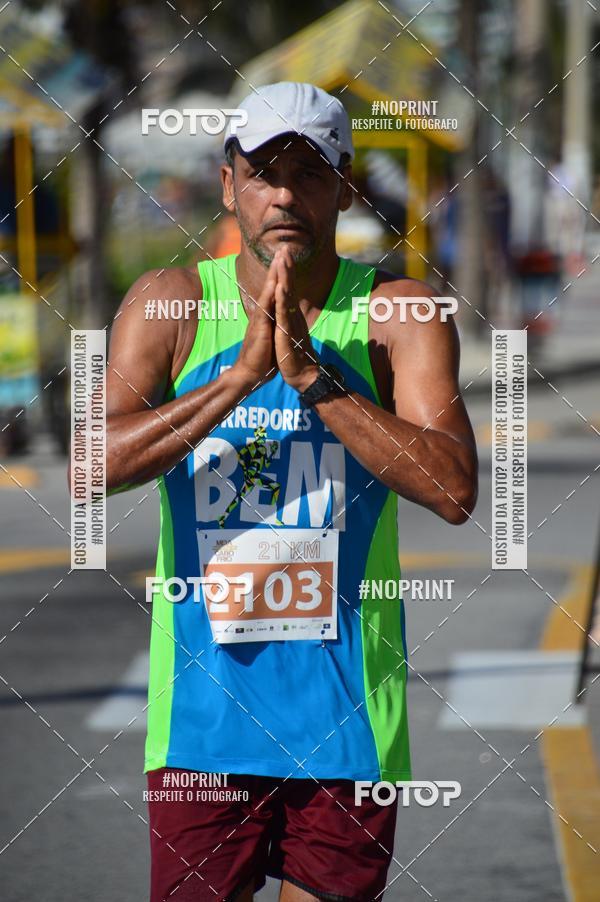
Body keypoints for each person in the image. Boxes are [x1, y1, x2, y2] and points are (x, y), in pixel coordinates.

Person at [105, 82, 478, 902]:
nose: (283, 195)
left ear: (343, 187)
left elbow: (453, 489)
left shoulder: (397, 312)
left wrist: (314, 380)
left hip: (348, 725)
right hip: (203, 727)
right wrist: (239, 379)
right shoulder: (170, 304)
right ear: (227, 179)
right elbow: (94, 463)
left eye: (309, 174)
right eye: (263, 171)